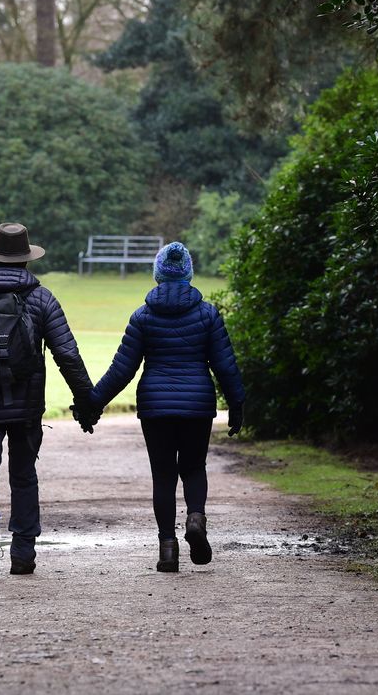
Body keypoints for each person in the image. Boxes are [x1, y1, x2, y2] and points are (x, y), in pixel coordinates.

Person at [0, 222, 100, 579]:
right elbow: (68, 355)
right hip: (27, 408)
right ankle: (23, 554)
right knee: (24, 476)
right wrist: (87, 402)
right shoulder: (42, 299)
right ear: (26, 259)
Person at [83, 242, 245, 572]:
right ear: (188, 274)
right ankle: (195, 519)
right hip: (197, 405)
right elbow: (225, 366)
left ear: (157, 275)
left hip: (155, 407)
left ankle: (168, 549)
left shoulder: (143, 316)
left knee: (163, 474)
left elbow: (122, 369)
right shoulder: (208, 314)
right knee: (194, 468)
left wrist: (93, 404)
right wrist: (237, 404)